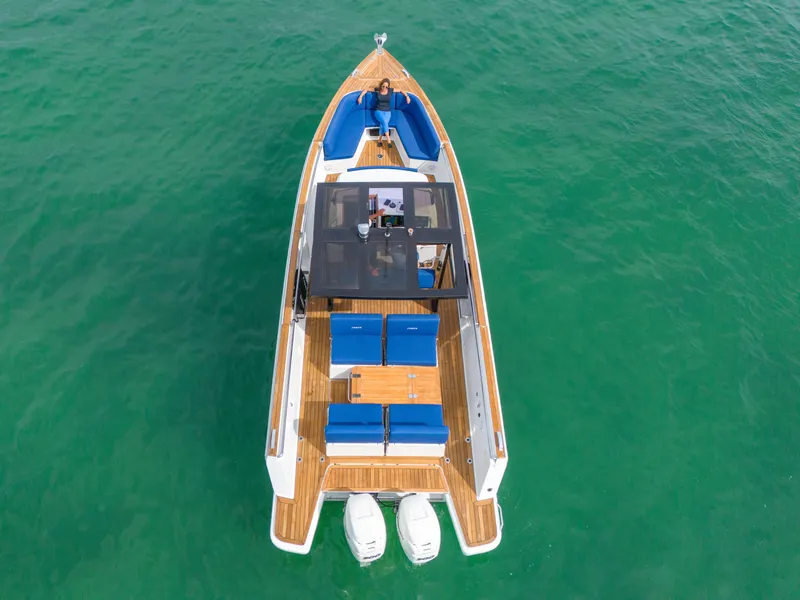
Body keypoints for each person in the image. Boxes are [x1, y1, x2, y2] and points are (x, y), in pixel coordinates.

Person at [357, 78, 411, 149]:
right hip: (378, 111)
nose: (385, 88)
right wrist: (360, 97)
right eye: (383, 86)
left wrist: (407, 97)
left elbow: (401, 90)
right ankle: (388, 140)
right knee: (385, 122)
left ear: (388, 87)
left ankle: (380, 140)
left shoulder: (390, 91)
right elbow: (366, 89)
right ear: (381, 85)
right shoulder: (377, 90)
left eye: (386, 87)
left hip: (388, 111)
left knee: (383, 124)